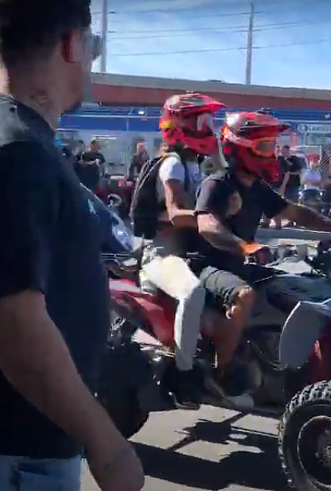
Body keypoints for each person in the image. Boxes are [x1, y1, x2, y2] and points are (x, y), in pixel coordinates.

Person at [0, 2, 143, 491]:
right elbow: (11, 319)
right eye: (93, 47)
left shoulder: (5, 132)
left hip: (4, 442)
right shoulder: (11, 149)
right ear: (72, 45)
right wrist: (106, 442)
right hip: (0, 451)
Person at [192, 111, 331, 402]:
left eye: (273, 147)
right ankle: (221, 374)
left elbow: (294, 212)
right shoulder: (218, 183)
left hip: (243, 263)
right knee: (244, 296)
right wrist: (244, 246)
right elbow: (206, 225)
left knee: (301, 289)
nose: (272, 154)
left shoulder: (257, 188)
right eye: (265, 147)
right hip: (209, 266)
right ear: (240, 147)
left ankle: (286, 362)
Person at [137, 92, 225, 408]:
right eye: (202, 121)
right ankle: (182, 374)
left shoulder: (195, 165)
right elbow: (175, 212)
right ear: (179, 124)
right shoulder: (173, 164)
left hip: (192, 250)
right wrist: (213, 218)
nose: (207, 128)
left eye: (209, 122)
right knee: (193, 293)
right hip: (162, 253)